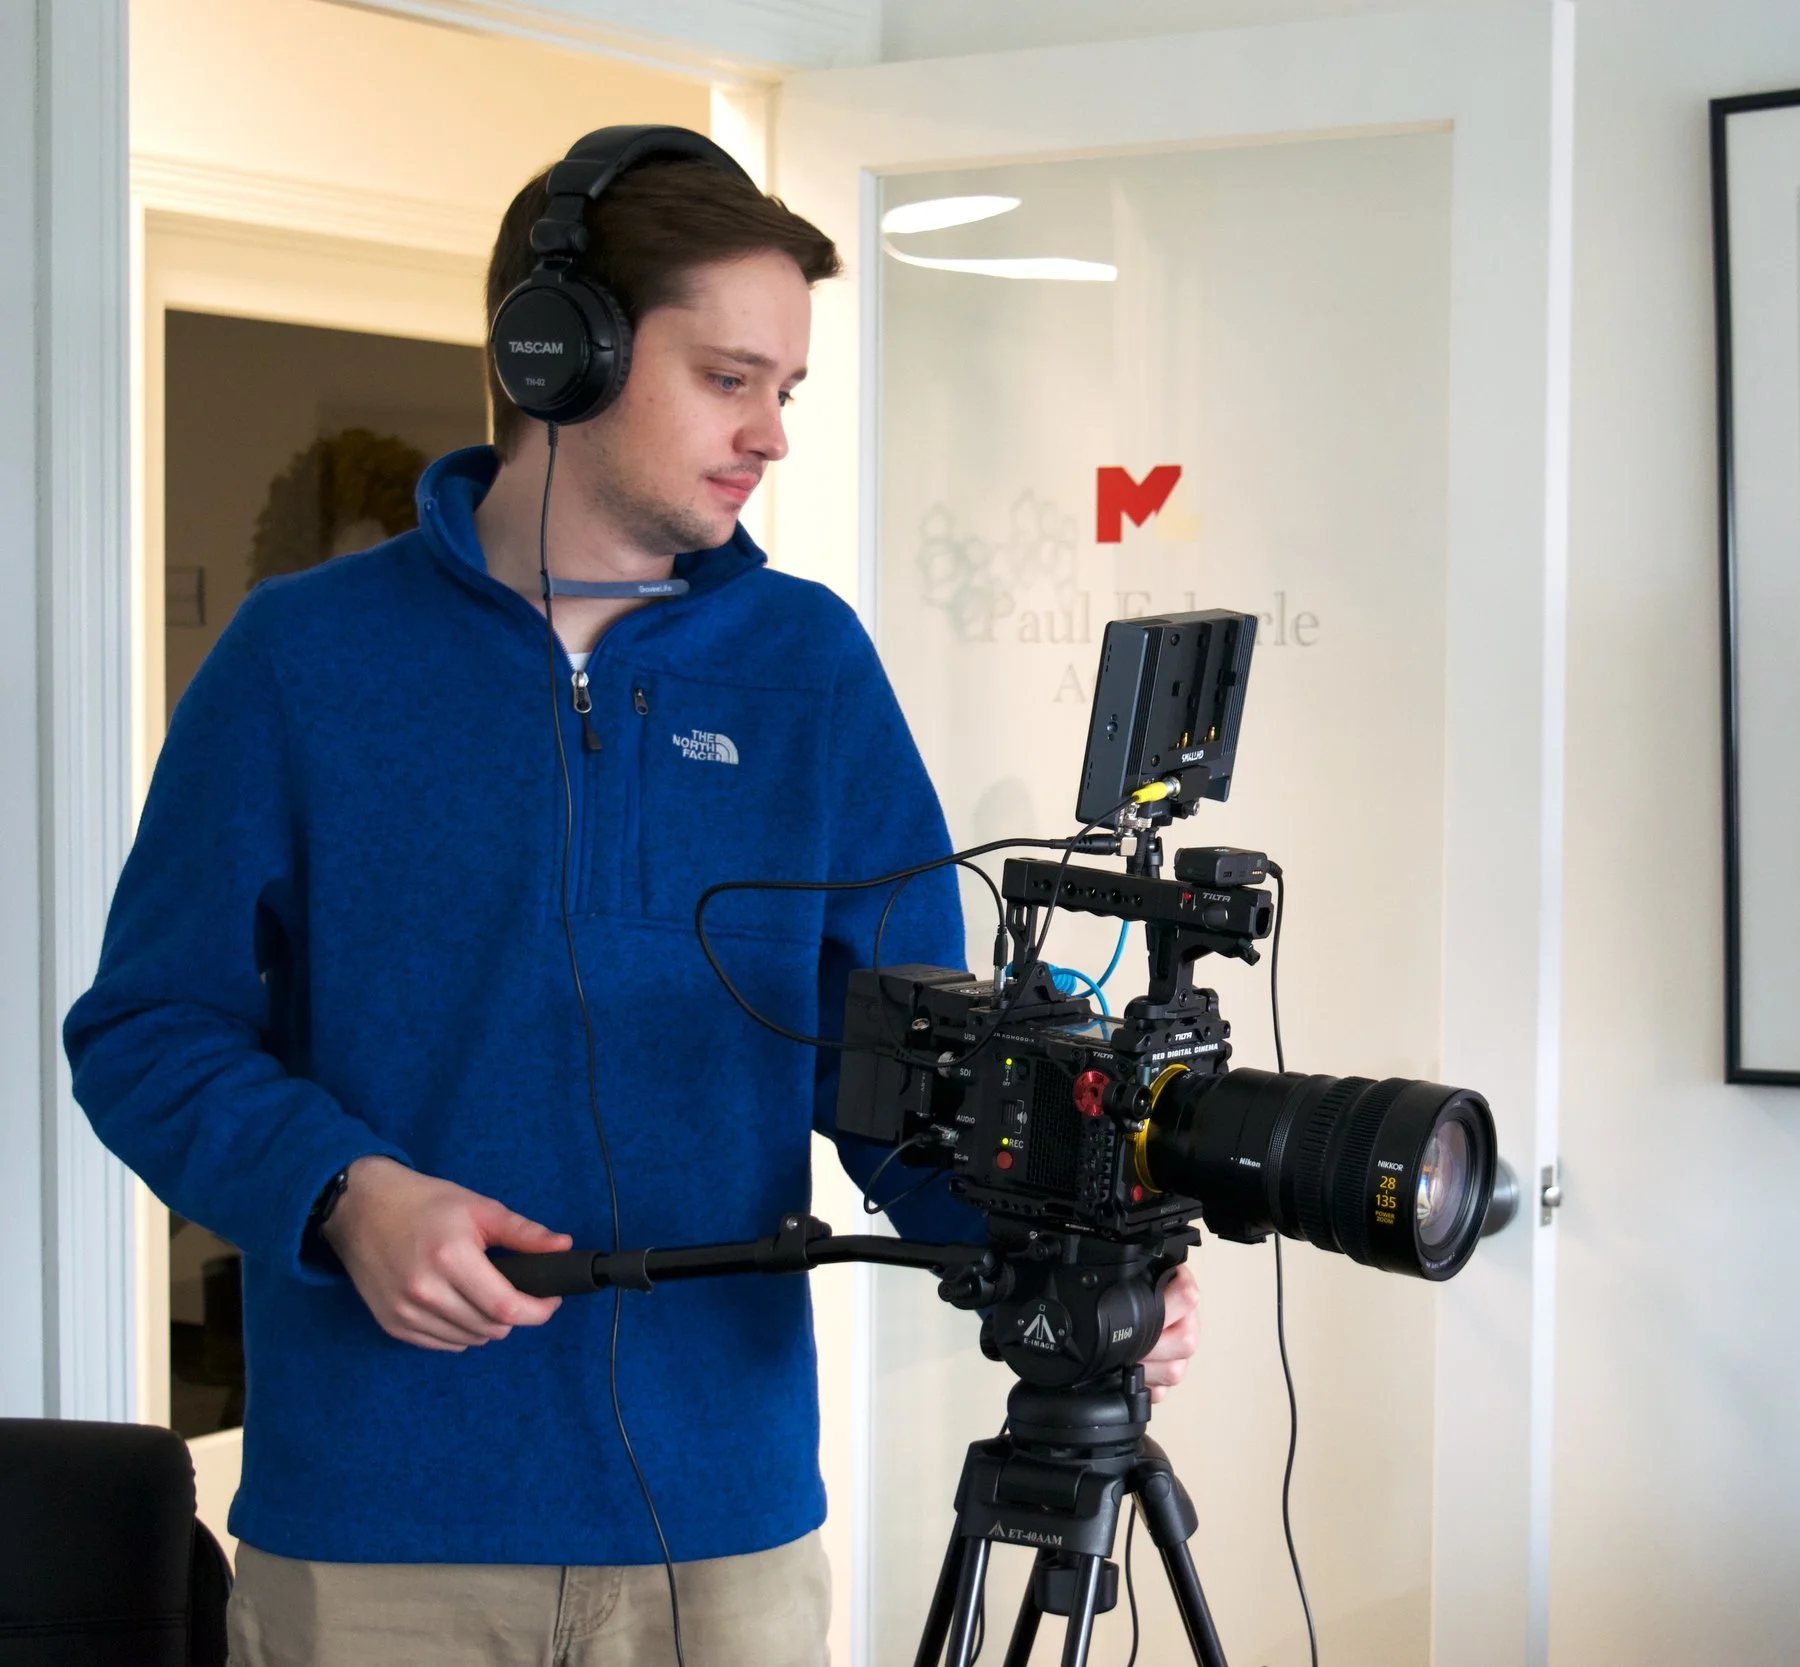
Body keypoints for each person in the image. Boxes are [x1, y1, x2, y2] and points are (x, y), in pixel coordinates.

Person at [65, 131, 1199, 1667]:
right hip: (381, 1527)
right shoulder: (302, 661)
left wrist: (1074, 1237)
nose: (770, 436)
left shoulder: (810, 669)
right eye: (729, 379)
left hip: (718, 1539)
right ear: (560, 351)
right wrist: (342, 1192)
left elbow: (903, 1070)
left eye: (785, 391)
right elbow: (147, 1029)